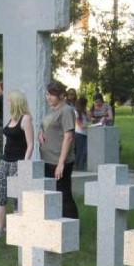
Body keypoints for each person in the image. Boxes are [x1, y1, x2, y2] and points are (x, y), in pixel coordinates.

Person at [0, 90, 34, 241]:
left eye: (9, 101)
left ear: (16, 101)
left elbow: (30, 145)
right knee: (1, 195)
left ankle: (17, 231)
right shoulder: (11, 118)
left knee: (15, 196)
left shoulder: (25, 119)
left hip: (17, 162)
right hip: (5, 161)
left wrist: (24, 165)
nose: (7, 103)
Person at [39, 81, 78, 219]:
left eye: (52, 95)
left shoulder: (66, 110)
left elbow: (68, 137)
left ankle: (72, 227)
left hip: (59, 161)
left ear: (62, 95)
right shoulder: (53, 110)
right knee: (51, 195)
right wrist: (41, 133)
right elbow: (47, 126)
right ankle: (55, 226)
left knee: (64, 195)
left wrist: (61, 163)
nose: (48, 98)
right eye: (47, 94)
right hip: (48, 159)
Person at [74, 96, 88, 171]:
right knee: (80, 150)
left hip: (85, 134)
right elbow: (80, 125)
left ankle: (81, 165)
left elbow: (88, 118)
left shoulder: (83, 112)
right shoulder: (76, 112)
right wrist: (88, 126)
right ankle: (78, 165)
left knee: (84, 151)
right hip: (79, 133)